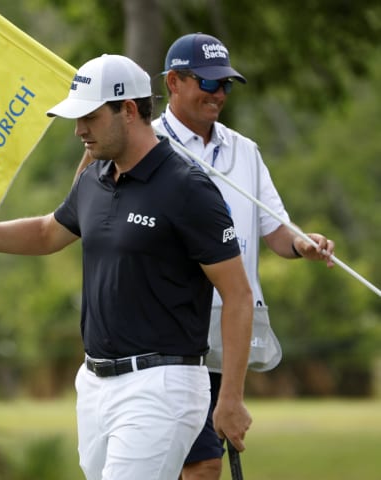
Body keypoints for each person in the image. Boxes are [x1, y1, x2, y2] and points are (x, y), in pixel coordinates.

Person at [0, 54, 254, 480]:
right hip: (95, 383)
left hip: (163, 387)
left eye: (89, 116)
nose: (78, 130)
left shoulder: (187, 188)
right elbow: (46, 233)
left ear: (128, 110)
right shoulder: (96, 178)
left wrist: (230, 397)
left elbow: (237, 294)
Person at [69, 35, 337, 480]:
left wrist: (302, 242)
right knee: (199, 464)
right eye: (209, 84)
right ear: (173, 82)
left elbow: (275, 228)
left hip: (228, 325)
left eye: (226, 86)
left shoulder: (244, 150)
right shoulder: (139, 143)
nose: (219, 95)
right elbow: (83, 207)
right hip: (171, 326)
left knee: (203, 462)